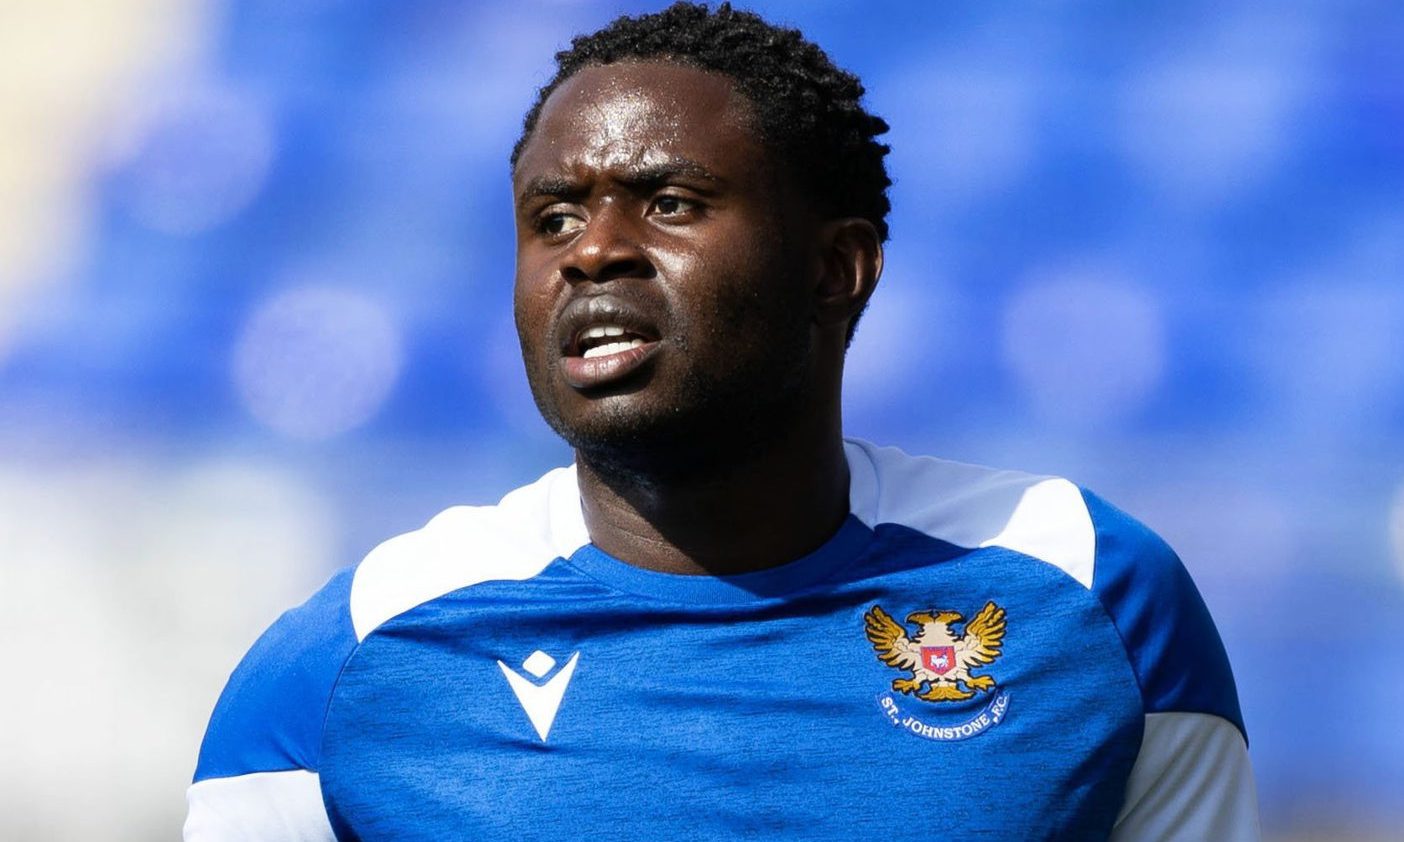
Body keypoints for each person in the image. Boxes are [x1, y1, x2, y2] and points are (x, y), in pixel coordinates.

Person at [184, 3, 1259, 839]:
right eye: (552, 216)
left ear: (837, 268)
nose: (592, 250)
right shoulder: (352, 660)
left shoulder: (1091, 594)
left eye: (671, 203)